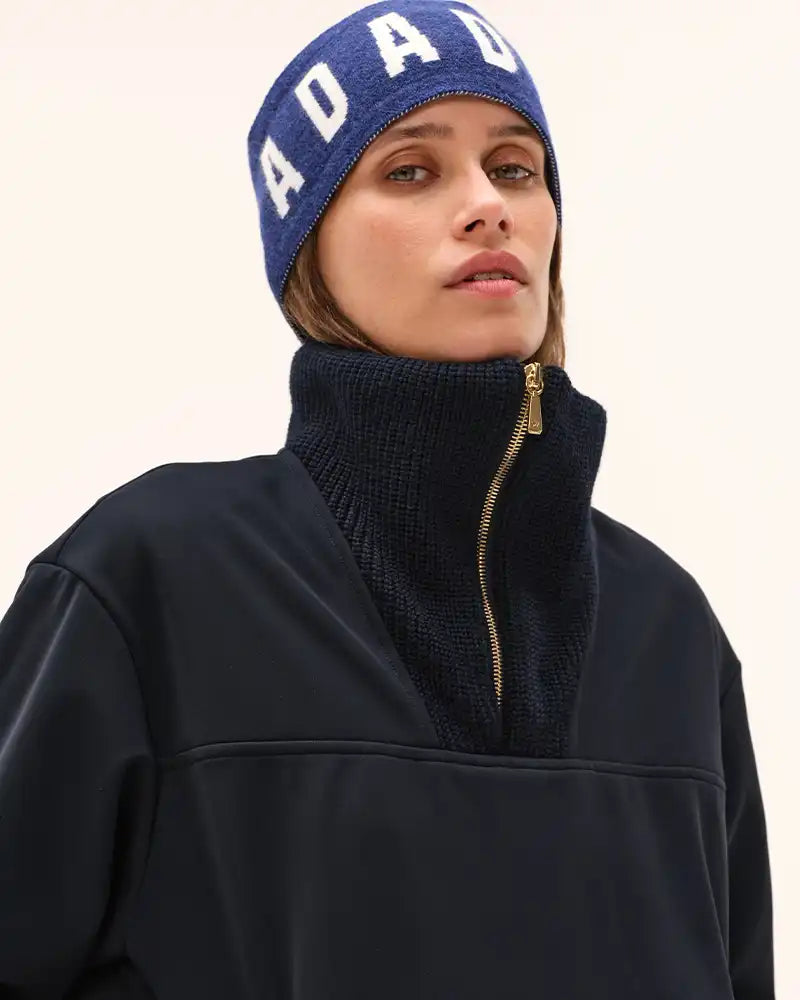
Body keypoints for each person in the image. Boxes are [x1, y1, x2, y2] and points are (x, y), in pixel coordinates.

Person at [0, 1, 774, 997]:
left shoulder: (669, 630)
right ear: (308, 254)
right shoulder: (146, 580)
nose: (486, 205)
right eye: (409, 170)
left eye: (514, 167)